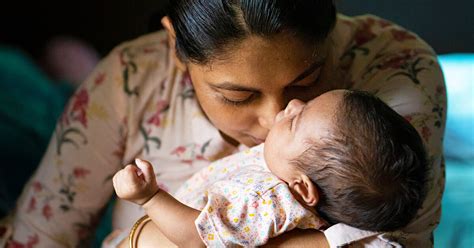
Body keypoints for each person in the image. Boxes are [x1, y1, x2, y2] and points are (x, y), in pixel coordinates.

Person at [0, 0, 446, 247]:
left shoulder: (395, 69)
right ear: (175, 45)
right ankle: (67, 72)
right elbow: (40, 235)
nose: (276, 117)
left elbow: (391, 238)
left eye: (308, 82)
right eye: (238, 96)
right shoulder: (131, 79)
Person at [113, 90, 429, 247]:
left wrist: (149, 197)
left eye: (296, 120)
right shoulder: (285, 173)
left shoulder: (266, 199)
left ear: (303, 188)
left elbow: (200, 238)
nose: (290, 104)